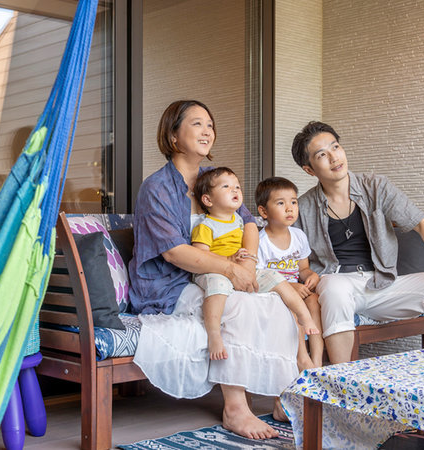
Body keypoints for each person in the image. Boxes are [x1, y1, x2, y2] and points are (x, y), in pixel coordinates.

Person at [129, 100, 299, 439]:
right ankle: (235, 409)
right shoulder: (157, 187)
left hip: (216, 275)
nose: (207, 131)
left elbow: (249, 224)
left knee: (274, 302)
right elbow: (175, 253)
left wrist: (247, 264)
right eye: (196, 124)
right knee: (236, 306)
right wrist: (230, 270)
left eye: (210, 124)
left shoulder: (216, 179)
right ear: (173, 136)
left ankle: (284, 396)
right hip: (169, 285)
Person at [291, 121, 424, 363]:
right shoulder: (302, 208)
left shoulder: (375, 187)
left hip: (383, 283)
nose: (334, 157)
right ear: (309, 169)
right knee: (333, 286)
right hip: (338, 287)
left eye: (336, 147)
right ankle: (343, 383)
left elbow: (422, 222)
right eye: (322, 154)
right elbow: (286, 251)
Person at [190, 167, 319, 362]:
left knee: (274, 277)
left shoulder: (240, 223)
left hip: (242, 269)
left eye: (237, 187)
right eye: (226, 187)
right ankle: (214, 334)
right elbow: (200, 256)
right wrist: (228, 261)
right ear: (208, 200)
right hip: (214, 270)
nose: (235, 190)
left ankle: (304, 317)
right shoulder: (205, 226)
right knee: (217, 287)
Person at [255, 176, 324, 368]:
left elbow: (302, 268)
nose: (290, 208)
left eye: (293, 202)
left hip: (297, 290)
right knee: (293, 311)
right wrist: (291, 287)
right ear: (264, 211)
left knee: (314, 302)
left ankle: (317, 363)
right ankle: (302, 358)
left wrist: (310, 275)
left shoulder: (299, 236)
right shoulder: (260, 241)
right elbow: (260, 278)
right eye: (280, 203)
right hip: (275, 294)